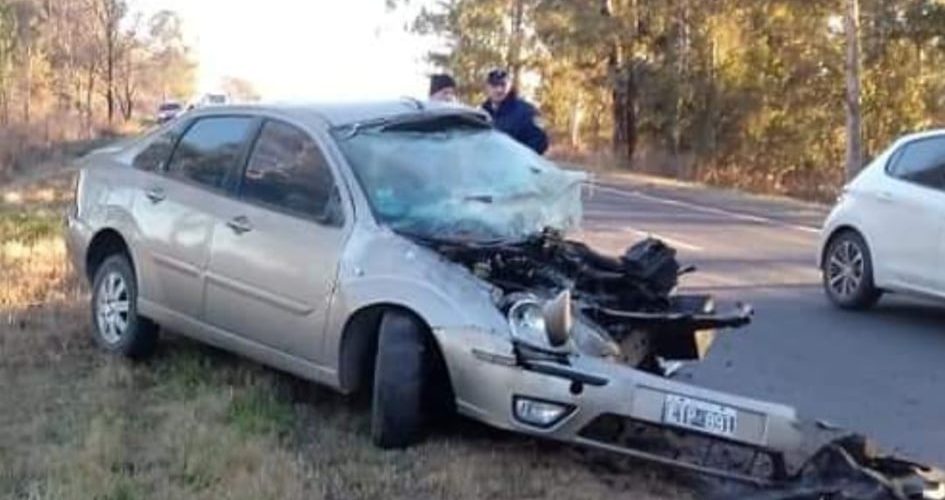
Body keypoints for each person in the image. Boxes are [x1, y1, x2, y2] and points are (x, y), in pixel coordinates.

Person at [481, 68, 549, 155]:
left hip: (517, 166)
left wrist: (519, 156)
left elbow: (540, 142)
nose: (499, 90)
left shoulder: (527, 112)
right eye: (494, 85)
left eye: (503, 85)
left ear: (510, 86)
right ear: (487, 87)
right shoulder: (481, 114)